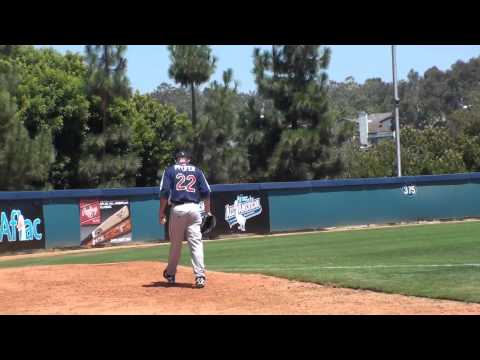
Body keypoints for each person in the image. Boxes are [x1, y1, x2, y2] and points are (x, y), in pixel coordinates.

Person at [159, 150, 212, 288]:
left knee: (176, 244)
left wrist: (161, 212)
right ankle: (200, 276)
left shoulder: (170, 170)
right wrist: (208, 212)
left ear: (177, 160)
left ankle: (170, 274)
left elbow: (165, 192)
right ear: (188, 159)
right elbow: (206, 193)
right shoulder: (197, 170)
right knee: (196, 243)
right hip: (195, 209)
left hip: (178, 209)